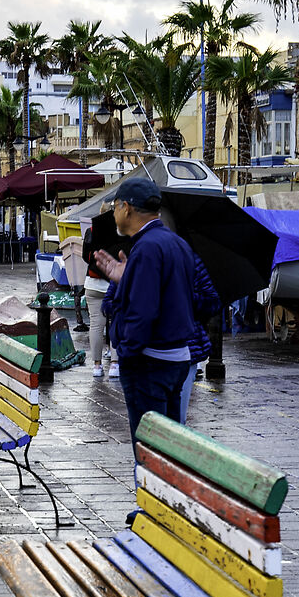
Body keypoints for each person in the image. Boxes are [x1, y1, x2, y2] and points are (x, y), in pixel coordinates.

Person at [92, 180, 195, 435]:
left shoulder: (147, 248)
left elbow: (143, 311)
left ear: (126, 208)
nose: (113, 213)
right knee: (167, 448)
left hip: (150, 362)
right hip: (175, 357)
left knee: (150, 449)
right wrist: (125, 278)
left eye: (115, 206)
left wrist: (127, 351)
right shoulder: (175, 243)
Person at [176, 245, 223, 423]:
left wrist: (188, 297)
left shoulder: (190, 260)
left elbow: (212, 301)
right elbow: (110, 305)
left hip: (185, 350)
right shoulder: (136, 258)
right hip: (147, 354)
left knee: (177, 422)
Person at [80, 210, 125, 379]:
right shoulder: (120, 232)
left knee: (96, 325)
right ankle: (114, 364)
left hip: (93, 283)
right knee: (115, 324)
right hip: (114, 285)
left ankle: (97, 366)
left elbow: (86, 256)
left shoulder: (91, 231)